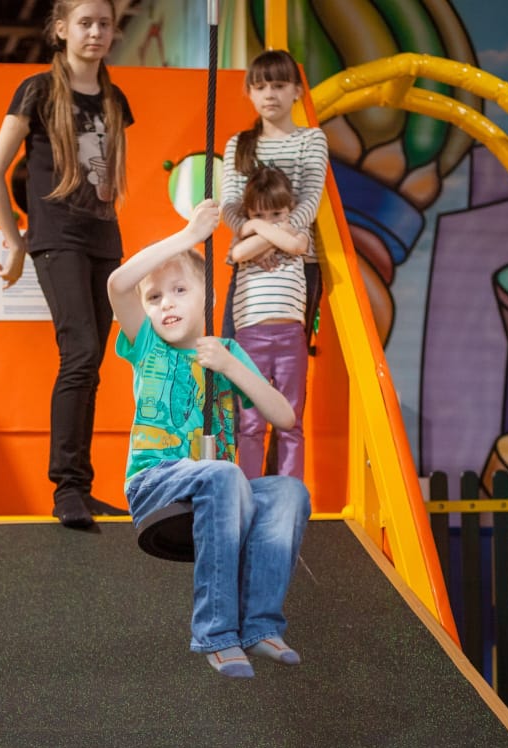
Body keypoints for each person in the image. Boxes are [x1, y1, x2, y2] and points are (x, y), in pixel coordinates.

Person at [107, 199, 310, 678]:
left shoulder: (227, 351)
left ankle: (259, 625)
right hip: (157, 484)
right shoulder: (146, 344)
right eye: (155, 297)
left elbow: (283, 416)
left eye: (180, 290)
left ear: (208, 296)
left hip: (219, 493)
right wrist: (187, 237)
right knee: (223, 473)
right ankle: (217, 633)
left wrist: (230, 365)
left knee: (288, 490)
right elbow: (117, 284)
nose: (167, 303)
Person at [0, 0, 132, 529]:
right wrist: (16, 242)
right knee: (80, 352)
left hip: (103, 240)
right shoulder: (38, 91)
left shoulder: (114, 100)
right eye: (85, 23)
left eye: (104, 24)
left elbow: (106, 177)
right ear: (61, 29)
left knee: (91, 365)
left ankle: (81, 487)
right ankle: (66, 487)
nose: (96, 32)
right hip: (56, 238)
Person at [220, 49, 329, 475]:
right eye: (261, 86)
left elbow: (309, 202)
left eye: (280, 85)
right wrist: (265, 236)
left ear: (297, 91)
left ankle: (278, 484)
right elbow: (231, 207)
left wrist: (266, 238)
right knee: (240, 376)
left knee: (288, 387)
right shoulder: (239, 145)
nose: (270, 94)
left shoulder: (310, 140)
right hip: (250, 270)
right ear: (249, 92)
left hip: (299, 269)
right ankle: (240, 480)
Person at [227, 166, 311, 479]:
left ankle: (291, 490)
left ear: (290, 209)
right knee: (251, 423)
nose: (269, 220)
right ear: (247, 214)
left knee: (290, 420)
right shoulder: (247, 239)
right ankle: (248, 488)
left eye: (277, 213)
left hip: (290, 337)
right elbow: (240, 253)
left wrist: (255, 228)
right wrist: (272, 232)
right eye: (258, 215)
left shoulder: (300, 233)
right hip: (251, 338)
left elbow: (297, 246)